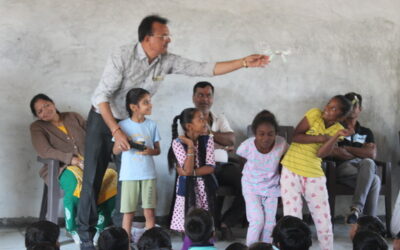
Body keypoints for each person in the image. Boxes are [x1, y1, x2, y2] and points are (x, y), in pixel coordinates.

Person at [78, 14, 269, 249]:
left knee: (126, 179)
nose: (168, 40)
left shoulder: (165, 61)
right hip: (103, 117)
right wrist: (116, 131)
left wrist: (244, 62)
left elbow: (203, 68)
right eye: (163, 36)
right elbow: (101, 97)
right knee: (92, 178)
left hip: (131, 122)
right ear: (147, 38)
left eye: (168, 36)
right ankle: (85, 236)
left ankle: (121, 236)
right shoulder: (122, 56)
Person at [29, 94, 117, 245]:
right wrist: (72, 160)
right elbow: (45, 151)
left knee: (112, 177)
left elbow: (93, 134)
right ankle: (73, 228)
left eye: (46, 105)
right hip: (62, 168)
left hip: (88, 164)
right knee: (78, 185)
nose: (45, 111)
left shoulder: (73, 116)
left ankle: (99, 226)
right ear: (37, 116)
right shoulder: (37, 127)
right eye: (40, 111)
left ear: (53, 103)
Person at [280, 95, 353, 250]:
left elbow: (321, 153)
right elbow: (296, 137)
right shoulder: (314, 114)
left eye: (333, 108)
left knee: (323, 219)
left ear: (341, 116)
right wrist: (321, 137)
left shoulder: (336, 129)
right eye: (328, 104)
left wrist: (335, 136)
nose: (327, 109)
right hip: (291, 169)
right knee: (292, 218)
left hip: (313, 174)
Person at [190, 81, 244, 240]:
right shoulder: (187, 117)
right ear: (194, 97)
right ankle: (211, 226)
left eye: (208, 95)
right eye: (200, 95)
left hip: (223, 166)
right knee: (208, 182)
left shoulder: (219, 119)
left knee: (247, 181)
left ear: (212, 98)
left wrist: (209, 133)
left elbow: (231, 140)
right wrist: (220, 144)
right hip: (200, 166)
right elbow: (190, 143)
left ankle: (227, 222)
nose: (204, 99)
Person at [112, 88, 161, 241]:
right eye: (146, 102)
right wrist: (120, 146)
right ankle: (125, 244)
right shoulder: (122, 126)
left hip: (148, 174)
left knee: (149, 213)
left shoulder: (152, 125)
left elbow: (157, 150)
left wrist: (148, 151)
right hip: (129, 175)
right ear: (134, 107)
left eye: (149, 101)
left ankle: (151, 243)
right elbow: (115, 151)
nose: (150, 105)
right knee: (128, 213)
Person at [236, 110, 288, 245]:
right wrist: (248, 173)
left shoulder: (281, 144)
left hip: (272, 187)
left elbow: (287, 160)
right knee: (257, 221)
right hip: (251, 186)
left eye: (270, 134)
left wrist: (284, 187)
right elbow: (240, 157)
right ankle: (251, 248)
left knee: (270, 224)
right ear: (255, 133)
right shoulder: (247, 146)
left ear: (276, 133)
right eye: (261, 134)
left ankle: (266, 248)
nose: (266, 138)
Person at [168, 108, 217, 250]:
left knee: (205, 223)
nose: (204, 121)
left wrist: (191, 173)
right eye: (200, 119)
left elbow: (210, 167)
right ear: (189, 126)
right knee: (189, 222)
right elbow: (187, 170)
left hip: (204, 190)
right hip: (187, 189)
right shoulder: (178, 143)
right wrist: (190, 146)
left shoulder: (208, 140)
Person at [329, 92, 380, 224]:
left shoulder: (366, 132)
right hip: (341, 169)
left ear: (360, 109)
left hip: (361, 171)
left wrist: (347, 148)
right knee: (372, 175)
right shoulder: (336, 128)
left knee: (373, 175)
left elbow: (372, 154)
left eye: (355, 105)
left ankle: (357, 211)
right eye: (349, 106)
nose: (352, 109)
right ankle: (369, 222)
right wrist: (361, 151)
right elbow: (335, 152)